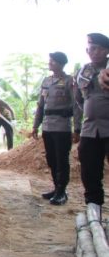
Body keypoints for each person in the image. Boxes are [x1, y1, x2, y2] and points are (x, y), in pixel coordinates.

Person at [32, 52, 76, 205]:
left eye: (53, 61)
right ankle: (56, 187)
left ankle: (61, 191)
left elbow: (76, 105)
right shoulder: (46, 81)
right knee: (51, 159)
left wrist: (77, 128)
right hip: (47, 126)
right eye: (49, 60)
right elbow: (40, 105)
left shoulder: (69, 81)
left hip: (62, 126)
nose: (49, 63)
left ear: (61, 63)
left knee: (61, 159)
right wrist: (35, 125)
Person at [75, 33, 109, 207]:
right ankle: (94, 208)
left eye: (99, 49)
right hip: (89, 129)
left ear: (106, 51)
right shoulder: (83, 71)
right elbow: (79, 100)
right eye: (91, 49)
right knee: (89, 170)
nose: (94, 52)